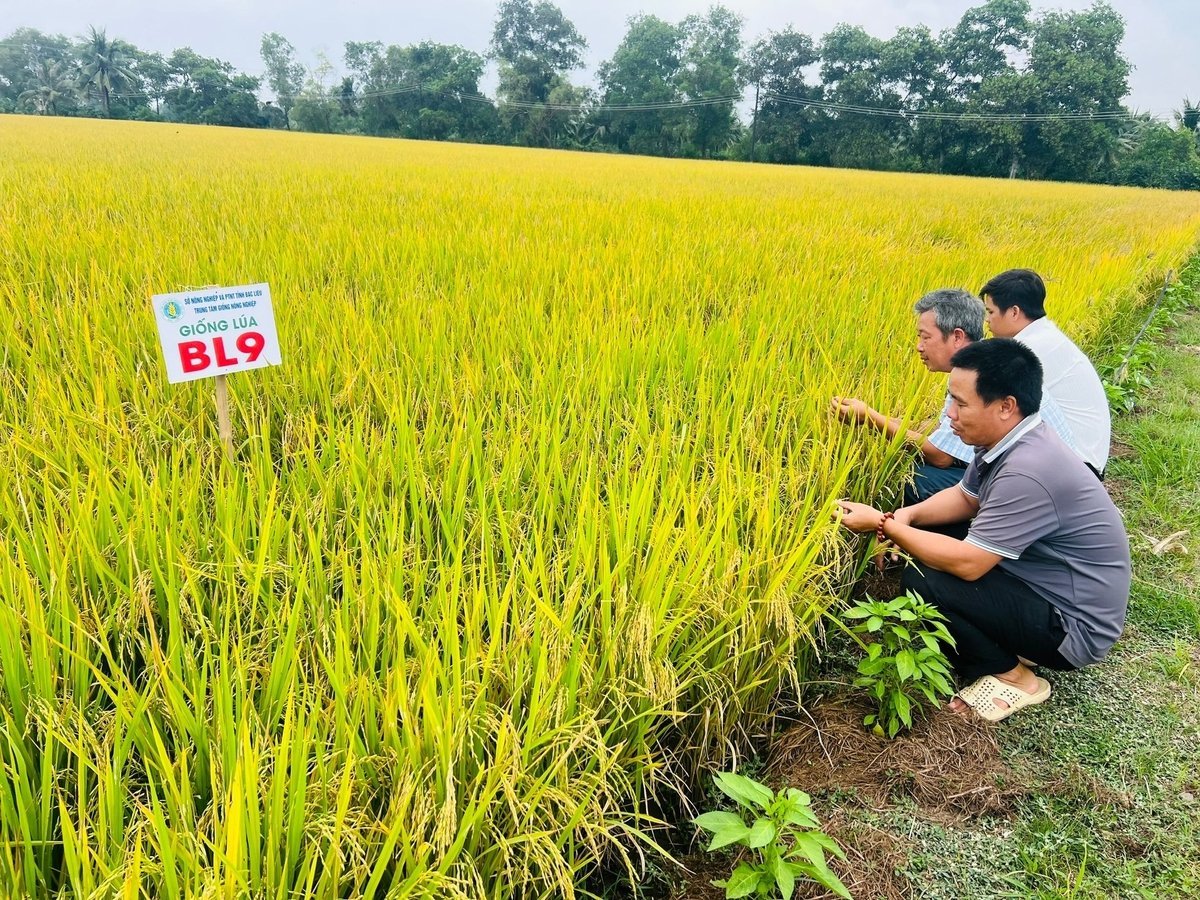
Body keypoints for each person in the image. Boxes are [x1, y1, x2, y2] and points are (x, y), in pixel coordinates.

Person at [834, 339, 1130, 722]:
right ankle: (1014, 639)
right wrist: (905, 516)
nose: (950, 415)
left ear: (1006, 406)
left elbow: (970, 566)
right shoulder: (1009, 440)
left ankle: (1016, 676)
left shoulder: (1029, 470)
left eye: (961, 403)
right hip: (1048, 586)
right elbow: (964, 497)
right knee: (941, 533)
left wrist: (880, 522)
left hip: (1074, 627)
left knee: (926, 581)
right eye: (950, 400)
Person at [832, 288, 1077, 505]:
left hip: (1043, 488)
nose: (919, 346)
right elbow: (941, 431)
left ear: (958, 336)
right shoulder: (982, 361)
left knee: (918, 479)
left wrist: (870, 418)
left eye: (925, 336)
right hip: (1051, 475)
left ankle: (932, 546)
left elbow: (941, 456)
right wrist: (885, 419)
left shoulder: (978, 374)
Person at [980, 268, 1111, 476]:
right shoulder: (1045, 337)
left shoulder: (1029, 350)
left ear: (1014, 312)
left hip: (1079, 467)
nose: (987, 321)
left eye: (990, 312)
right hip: (1084, 460)